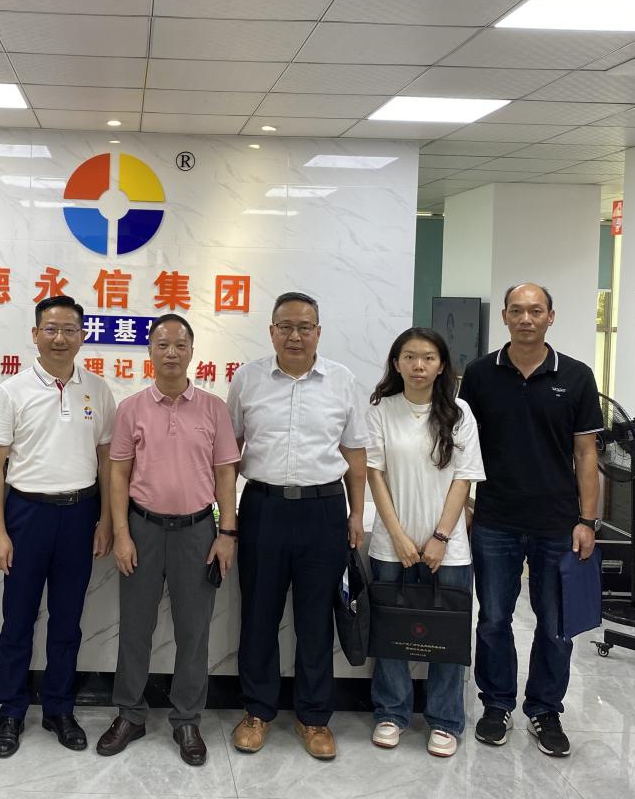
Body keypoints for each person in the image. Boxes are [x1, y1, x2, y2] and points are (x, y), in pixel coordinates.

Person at [459, 283, 603, 758]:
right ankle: (497, 704)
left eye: (535, 311)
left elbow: (587, 454)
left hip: (558, 523)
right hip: (495, 518)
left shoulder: (576, 376)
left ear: (550, 317)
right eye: (517, 311)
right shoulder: (479, 375)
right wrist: (463, 508)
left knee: (556, 624)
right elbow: (461, 446)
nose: (526, 319)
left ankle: (544, 710)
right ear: (504, 316)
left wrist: (588, 520)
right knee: (493, 619)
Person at [226, 291, 368, 761]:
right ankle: (257, 711)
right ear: (271, 331)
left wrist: (355, 514)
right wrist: (226, 517)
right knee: (259, 615)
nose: (295, 335)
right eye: (285, 326)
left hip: (323, 511)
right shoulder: (247, 379)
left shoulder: (342, 381)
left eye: (304, 327)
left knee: (316, 618)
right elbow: (228, 452)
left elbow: (355, 457)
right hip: (262, 508)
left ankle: (314, 717)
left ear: (318, 332)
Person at [96, 314, 239, 766]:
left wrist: (227, 533)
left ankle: (187, 719)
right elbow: (118, 474)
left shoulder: (214, 408)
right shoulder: (131, 408)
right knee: (135, 628)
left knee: (193, 632)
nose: (171, 352)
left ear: (192, 351)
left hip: (198, 531)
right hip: (142, 529)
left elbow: (225, 475)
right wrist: (122, 534)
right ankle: (130, 714)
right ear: (150, 352)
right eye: (162, 345)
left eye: (180, 345)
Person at [0, 295, 115, 758]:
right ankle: (11, 711)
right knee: (17, 619)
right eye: (51, 329)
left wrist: (105, 519)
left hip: (80, 514)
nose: (60, 338)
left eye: (70, 330)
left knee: (67, 619)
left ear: (83, 336)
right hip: (27, 515)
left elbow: (106, 459)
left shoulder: (97, 389)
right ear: (35, 334)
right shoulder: (12, 390)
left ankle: (59, 708)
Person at [365, 327, 484, 758]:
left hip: (448, 547)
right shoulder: (381, 409)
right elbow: (374, 473)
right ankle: (391, 712)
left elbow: (463, 479)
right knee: (391, 631)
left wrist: (440, 537)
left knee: (447, 634)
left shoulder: (460, 412)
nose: (419, 366)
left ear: (441, 365)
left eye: (428, 358)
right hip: (390, 543)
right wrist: (398, 535)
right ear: (396, 363)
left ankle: (445, 720)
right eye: (410, 357)